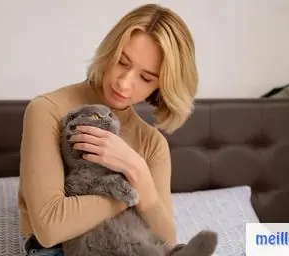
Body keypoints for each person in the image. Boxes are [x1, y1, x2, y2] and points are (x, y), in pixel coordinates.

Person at [17, 3, 198, 256]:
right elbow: (49, 228)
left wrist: (137, 170)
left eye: (145, 78)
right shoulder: (47, 110)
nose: (124, 83)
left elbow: (166, 241)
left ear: (162, 85)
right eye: (122, 62)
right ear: (109, 50)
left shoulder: (152, 143)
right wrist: (131, 194)